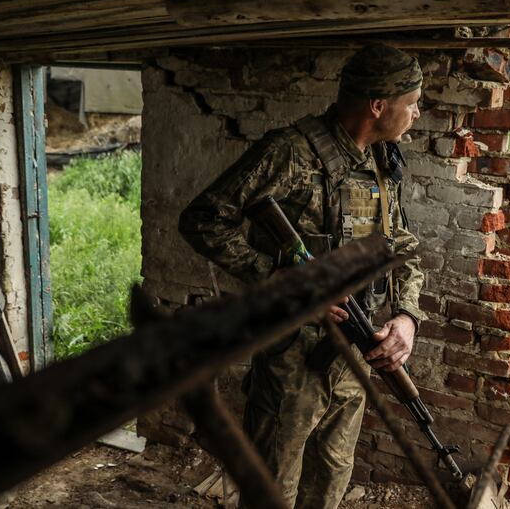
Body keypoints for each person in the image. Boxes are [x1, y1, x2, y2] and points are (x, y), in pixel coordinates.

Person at [179, 43, 425, 509]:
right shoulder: (290, 152)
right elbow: (204, 218)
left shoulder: (380, 160)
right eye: (411, 103)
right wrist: (278, 279)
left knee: (331, 477)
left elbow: (403, 246)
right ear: (378, 105)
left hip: (355, 345)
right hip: (291, 355)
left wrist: (407, 316)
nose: (416, 114)